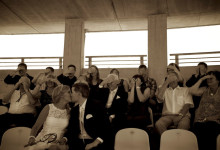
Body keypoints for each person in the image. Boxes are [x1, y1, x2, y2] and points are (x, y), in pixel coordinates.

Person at [65, 83, 112, 150]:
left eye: (72, 92)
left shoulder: (97, 105)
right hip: (77, 142)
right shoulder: (74, 110)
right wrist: (65, 139)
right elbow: (72, 129)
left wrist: (94, 143)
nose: (70, 95)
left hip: (94, 141)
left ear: (79, 93)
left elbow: (106, 127)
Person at [26, 85, 71, 150]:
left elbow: (68, 130)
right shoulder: (48, 107)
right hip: (42, 141)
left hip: (57, 145)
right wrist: (32, 137)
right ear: (61, 95)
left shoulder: (69, 111)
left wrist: (64, 139)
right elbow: (36, 126)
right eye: (69, 92)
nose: (71, 94)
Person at [0, 77, 38, 141]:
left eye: (24, 83)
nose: (21, 85)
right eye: (20, 83)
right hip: (11, 115)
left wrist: (26, 90)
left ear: (28, 84)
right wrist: (15, 87)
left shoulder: (32, 92)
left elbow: (33, 102)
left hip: (25, 116)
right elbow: (4, 100)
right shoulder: (14, 92)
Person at [190, 71, 220, 150]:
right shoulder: (204, 89)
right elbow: (191, 91)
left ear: (218, 80)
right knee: (197, 130)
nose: (208, 80)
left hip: (215, 121)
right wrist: (201, 79)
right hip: (201, 120)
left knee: (209, 129)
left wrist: (209, 119)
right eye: (207, 78)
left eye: (211, 78)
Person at [186, 62, 208, 127]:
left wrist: (200, 77)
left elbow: (202, 87)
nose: (199, 69)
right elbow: (188, 84)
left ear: (205, 69)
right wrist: (196, 76)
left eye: (201, 68)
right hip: (192, 98)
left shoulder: (207, 78)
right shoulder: (194, 76)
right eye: (198, 68)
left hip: (202, 98)